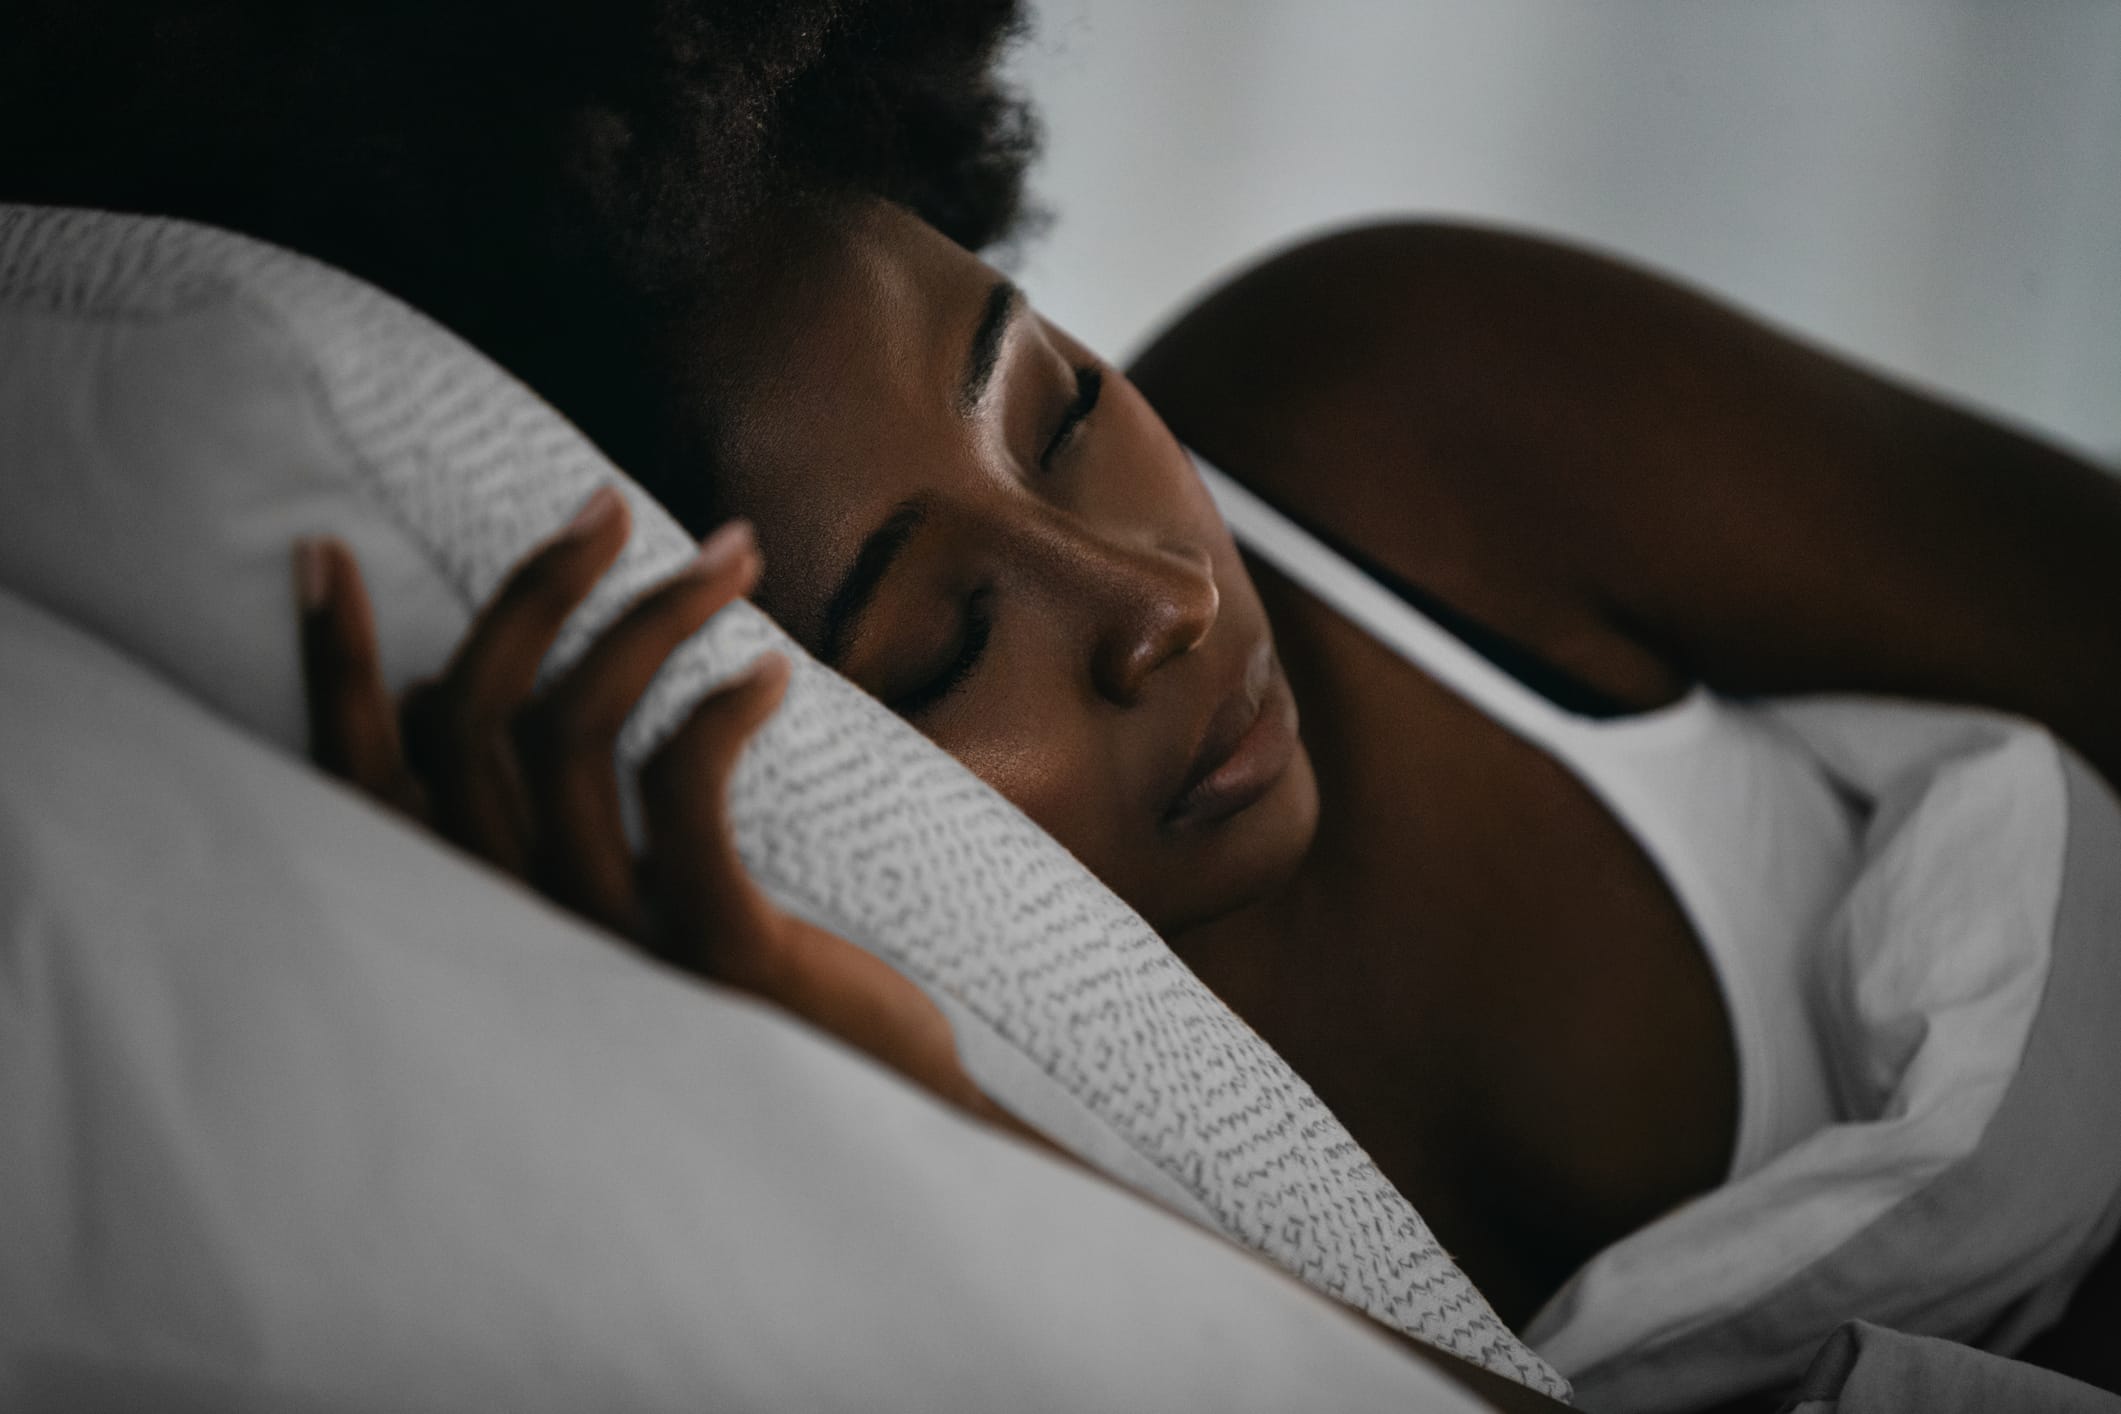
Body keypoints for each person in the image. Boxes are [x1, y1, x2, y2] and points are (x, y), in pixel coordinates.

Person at [10, 0, 2118, 1404]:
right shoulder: (882, 1141)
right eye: (940, 644)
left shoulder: (1410, 403)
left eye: (1060, 403)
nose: (1152, 599)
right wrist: (880, 1081)